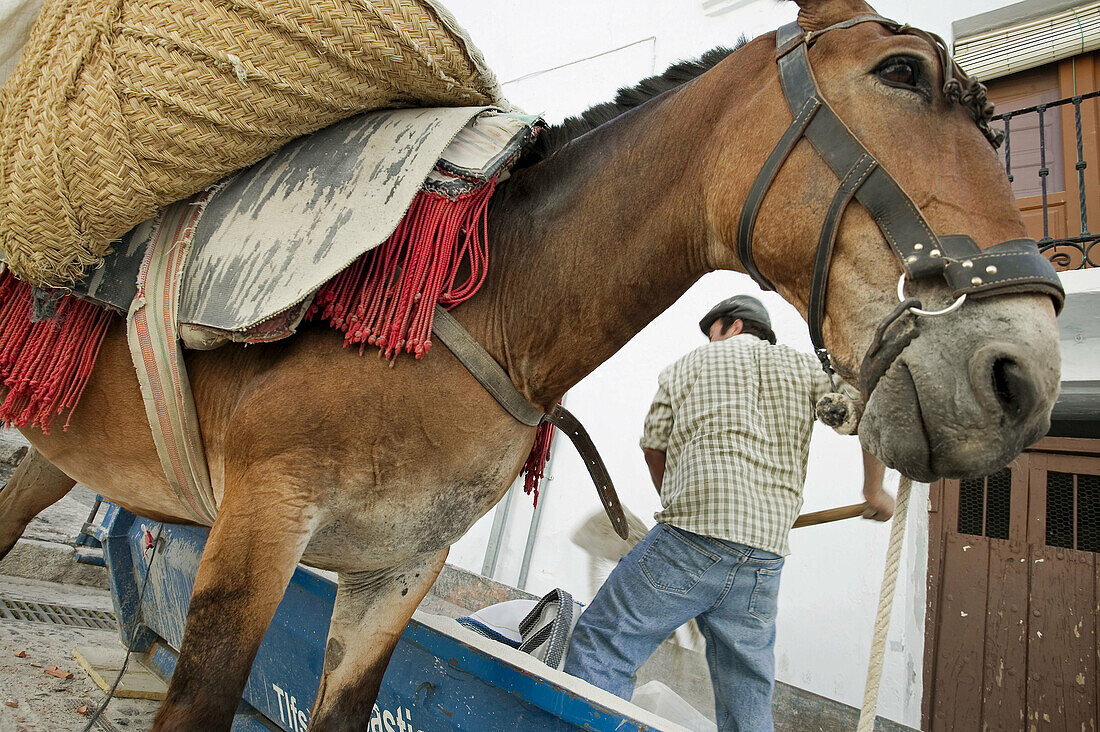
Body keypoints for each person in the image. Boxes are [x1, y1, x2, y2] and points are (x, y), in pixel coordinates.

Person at [563, 295, 894, 731]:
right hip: (762, 560)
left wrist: (679, 502)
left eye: (712, 331)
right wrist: (874, 489)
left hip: (688, 539)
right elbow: (866, 407)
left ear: (733, 326)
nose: (709, 340)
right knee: (747, 697)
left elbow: (653, 446)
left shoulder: (686, 366)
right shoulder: (808, 370)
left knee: (605, 644)